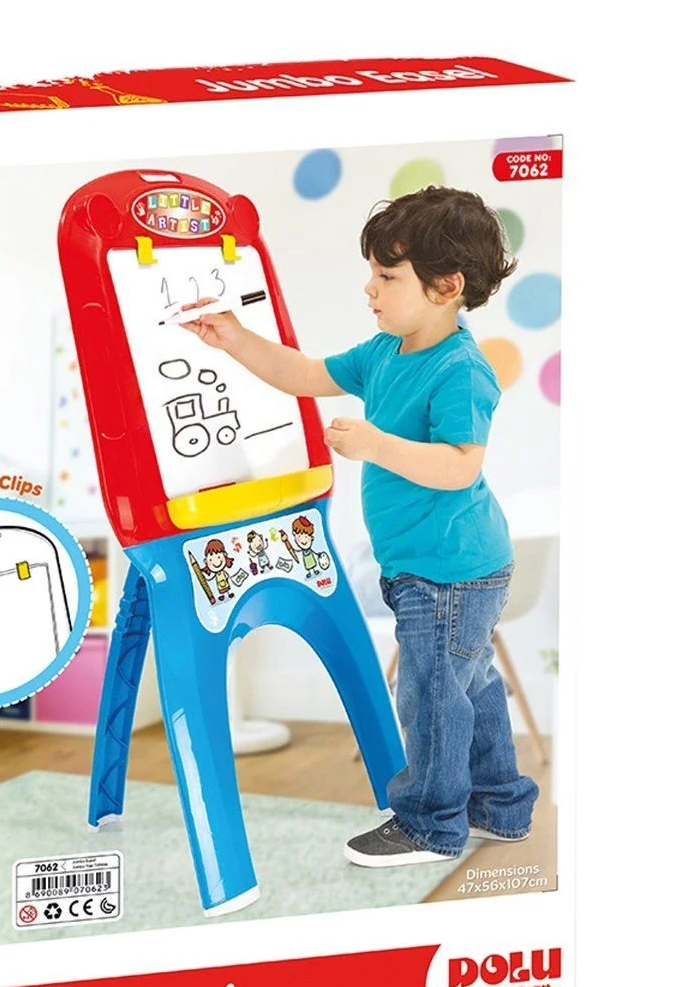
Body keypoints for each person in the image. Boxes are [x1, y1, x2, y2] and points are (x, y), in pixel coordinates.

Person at [179, 185, 538, 866]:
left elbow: (460, 465)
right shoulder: (383, 353)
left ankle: (430, 825)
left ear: (446, 286)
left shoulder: (461, 370)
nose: (369, 289)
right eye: (371, 273)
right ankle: (500, 806)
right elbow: (304, 374)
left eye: (387, 276)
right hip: (434, 565)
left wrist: (374, 444)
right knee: (470, 686)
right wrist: (236, 338)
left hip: (450, 569)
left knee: (432, 696)